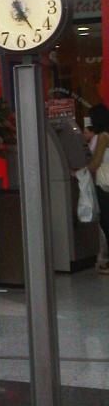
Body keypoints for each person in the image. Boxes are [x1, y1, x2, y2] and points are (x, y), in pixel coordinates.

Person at [86, 103, 109, 276]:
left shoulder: (103, 137)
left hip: (105, 184)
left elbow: (96, 162)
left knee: (106, 223)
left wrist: (80, 171)